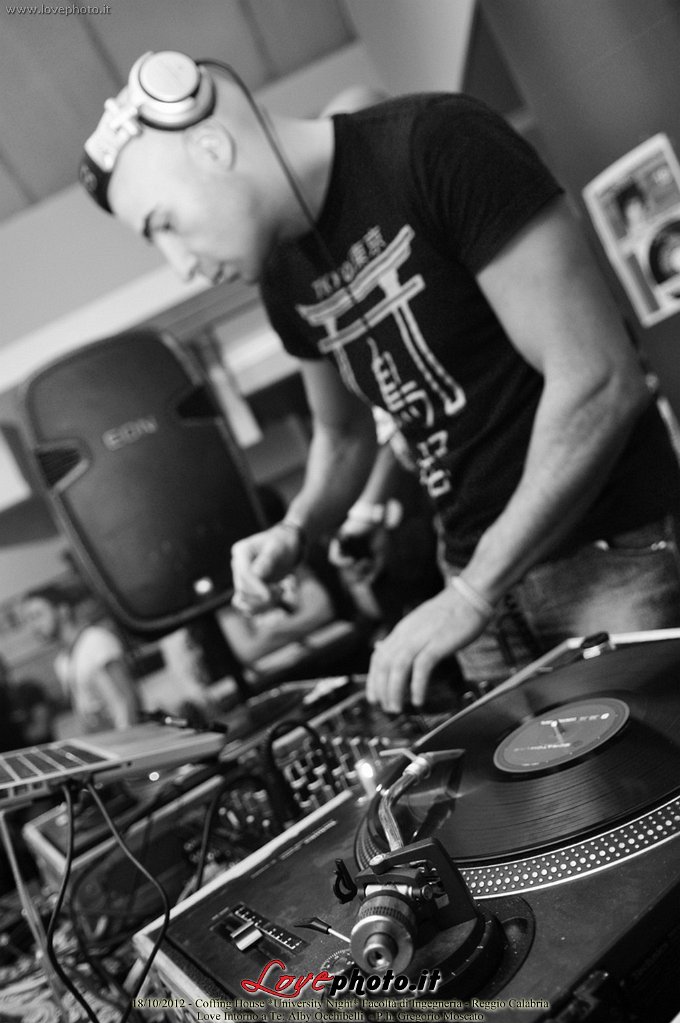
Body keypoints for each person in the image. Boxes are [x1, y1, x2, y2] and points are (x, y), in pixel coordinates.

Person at [78, 51, 680, 713]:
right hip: (477, 591)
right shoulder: (281, 280)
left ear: (213, 146)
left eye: (165, 223)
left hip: (604, 557)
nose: (181, 266)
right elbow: (342, 439)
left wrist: (471, 591)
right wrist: (296, 530)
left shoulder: (434, 144)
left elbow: (597, 378)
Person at [20, 585, 140, 734]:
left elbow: (129, 695)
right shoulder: (62, 661)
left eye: (37, 615)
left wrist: (129, 735)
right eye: (28, 620)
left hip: (127, 736)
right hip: (105, 740)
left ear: (63, 611)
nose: (33, 626)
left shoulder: (96, 640)